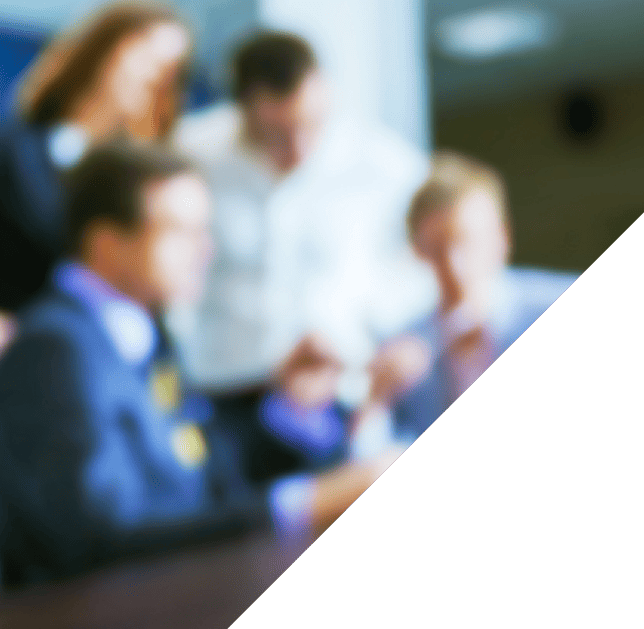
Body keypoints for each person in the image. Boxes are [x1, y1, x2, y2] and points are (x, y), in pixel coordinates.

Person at [0, 144, 403, 588]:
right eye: (181, 232)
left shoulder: (140, 334)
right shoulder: (55, 349)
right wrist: (300, 505)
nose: (205, 253)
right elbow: (100, 535)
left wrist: (290, 408)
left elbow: (197, 472)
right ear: (107, 243)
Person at [168, 30, 437, 412]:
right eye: (277, 134)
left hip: (342, 388)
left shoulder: (385, 165)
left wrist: (375, 326)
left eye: (311, 126)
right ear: (241, 110)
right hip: (222, 386)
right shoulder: (191, 156)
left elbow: (426, 264)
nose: (299, 149)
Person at [0, 2, 193, 313]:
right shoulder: (15, 149)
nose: (156, 75)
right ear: (105, 48)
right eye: (146, 54)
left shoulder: (143, 183)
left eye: (172, 70)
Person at [395, 151, 582, 437]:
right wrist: (376, 401)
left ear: (501, 238)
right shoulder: (406, 350)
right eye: (437, 249)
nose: (454, 267)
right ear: (418, 252)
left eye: (466, 243)